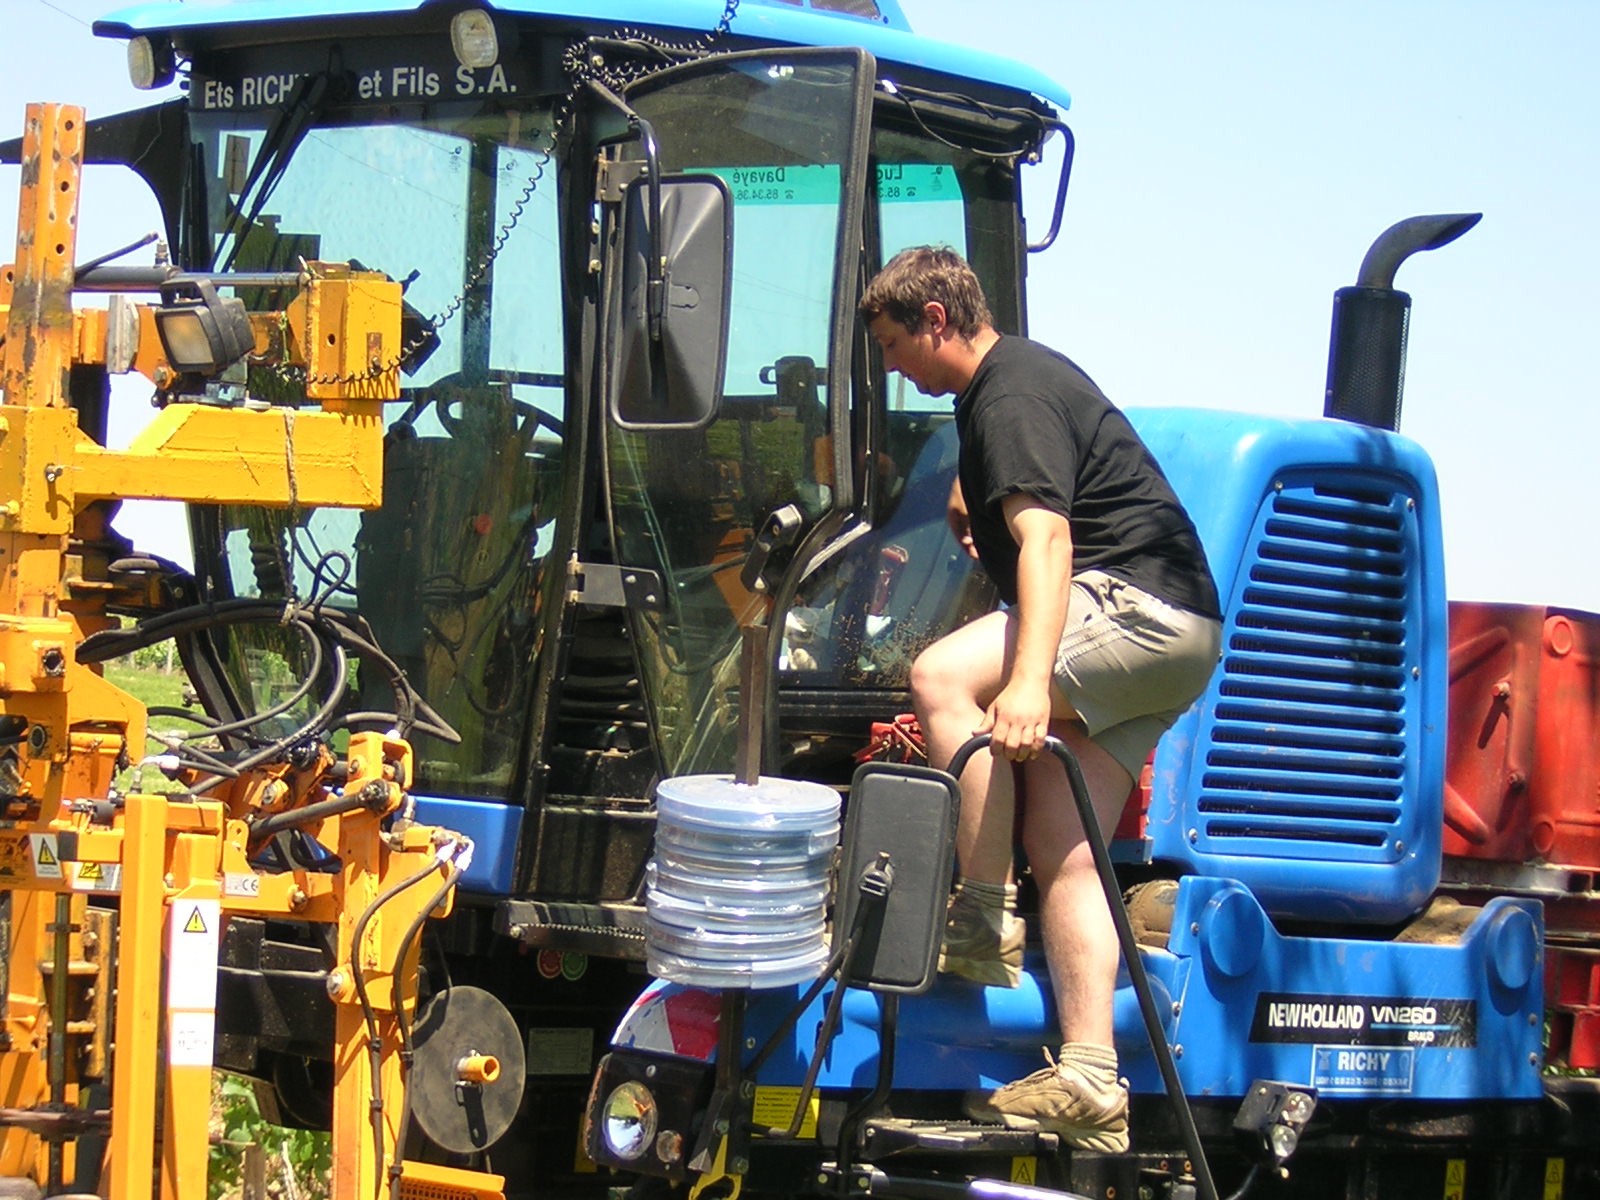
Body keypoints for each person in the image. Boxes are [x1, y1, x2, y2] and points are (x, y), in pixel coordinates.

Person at [858, 247, 1222, 1153]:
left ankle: (980, 918)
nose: (895, 367)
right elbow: (1017, 500)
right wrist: (967, 504)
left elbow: (1050, 539)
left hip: (1136, 608)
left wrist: (1025, 682)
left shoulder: (1009, 394)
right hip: (1184, 639)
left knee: (942, 676)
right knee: (1065, 849)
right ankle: (1093, 1080)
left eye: (898, 345)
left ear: (937, 317)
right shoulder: (1010, 389)